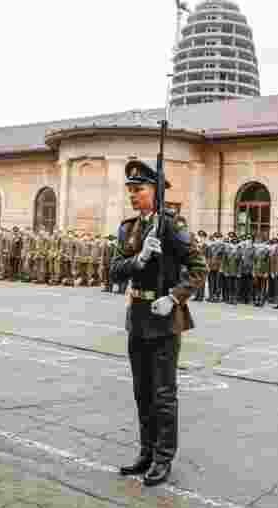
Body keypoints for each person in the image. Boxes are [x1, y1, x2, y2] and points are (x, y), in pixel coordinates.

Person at [109, 159, 206, 487]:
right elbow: (114, 269)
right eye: (131, 190)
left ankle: (163, 458)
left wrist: (175, 297)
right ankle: (146, 451)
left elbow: (199, 268)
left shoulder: (172, 227)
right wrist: (140, 258)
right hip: (136, 317)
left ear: (157, 192)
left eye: (139, 190)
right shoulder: (128, 228)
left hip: (164, 319)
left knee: (163, 393)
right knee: (142, 391)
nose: (133, 195)